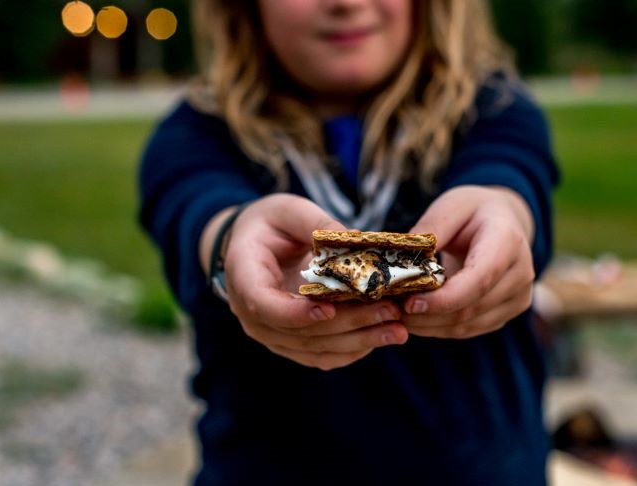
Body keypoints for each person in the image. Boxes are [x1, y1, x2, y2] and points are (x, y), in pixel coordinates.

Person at [138, 0, 559, 484]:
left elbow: (509, 176)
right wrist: (233, 249)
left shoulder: (496, 107)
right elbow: (199, 211)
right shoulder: (195, 131)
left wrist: (504, 218)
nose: (346, 4)